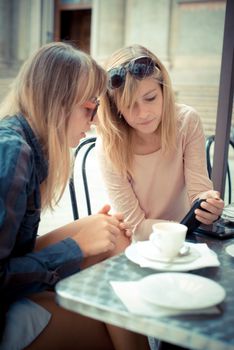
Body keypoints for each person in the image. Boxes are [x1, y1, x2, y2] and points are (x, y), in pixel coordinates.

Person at [0, 42, 150, 350]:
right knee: (108, 327)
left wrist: (88, 232)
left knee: (113, 235)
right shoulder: (13, 151)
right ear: (58, 102)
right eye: (88, 108)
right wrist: (75, 247)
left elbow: (15, 249)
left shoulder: (27, 143)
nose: (94, 120)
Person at [96, 44, 224, 241]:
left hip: (184, 237)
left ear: (164, 90)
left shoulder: (186, 121)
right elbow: (135, 225)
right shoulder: (109, 143)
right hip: (134, 245)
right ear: (116, 108)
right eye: (129, 105)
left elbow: (198, 193)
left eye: (150, 98)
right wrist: (181, 228)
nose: (143, 113)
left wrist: (208, 207)